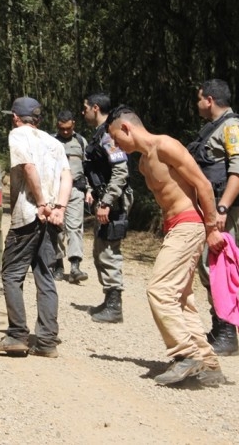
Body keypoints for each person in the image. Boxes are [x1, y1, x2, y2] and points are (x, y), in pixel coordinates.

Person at [106, 105, 227, 387]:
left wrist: (211, 230)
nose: (115, 144)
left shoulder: (166, 146)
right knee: (181, 299)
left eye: (116, 137)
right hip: (174, 229)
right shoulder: (143, 162)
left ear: (127, 128)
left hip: (190, 225)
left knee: (159, 290)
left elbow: (204, 186)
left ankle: (185, 354)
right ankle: (208, 363)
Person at [0, 96, 72, 358]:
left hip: (29, 215)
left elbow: (28, 167)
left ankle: (16, 335)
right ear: (38, 118)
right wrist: (58, 207)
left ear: (16, 117)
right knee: (44, 274)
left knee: (12, 275)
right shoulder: (55, 142)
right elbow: (66, 176)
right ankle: (47, 341)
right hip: (50, 219)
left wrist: (41, 203)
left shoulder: (18, 135)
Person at [187, 79, 239, 356]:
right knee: (207, 265)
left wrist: (222, 208)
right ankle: (219, 327)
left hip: (222, 210)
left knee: (219, 267)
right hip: (210, 208)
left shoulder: (233, 127)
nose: (197, 103)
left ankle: (226, 333)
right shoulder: (213, 128)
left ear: (209, 100)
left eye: (199, 99)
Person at [82, 93, 133, 323]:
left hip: (113, 203)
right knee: (100, 250)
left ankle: (115, 307)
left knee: (109, 251)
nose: (83, 112)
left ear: (95, 108)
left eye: (85, 108)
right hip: (104, 198)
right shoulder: (99, 135)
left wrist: (106, 202)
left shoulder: (109, 136)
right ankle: (109, 300)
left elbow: (121, 172)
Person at [50, 110, 89, 284]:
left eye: (68, 128)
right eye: (62, 128)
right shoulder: (50, 141)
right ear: (57, 125)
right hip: (55, 191)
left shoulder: (81, 141)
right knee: (57, 229)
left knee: (75, 227)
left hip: (76, 191)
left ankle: (75, 266)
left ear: (74, 124)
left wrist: (89, 190)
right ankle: (58, 264)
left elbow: (88, 167)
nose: (65, 132)